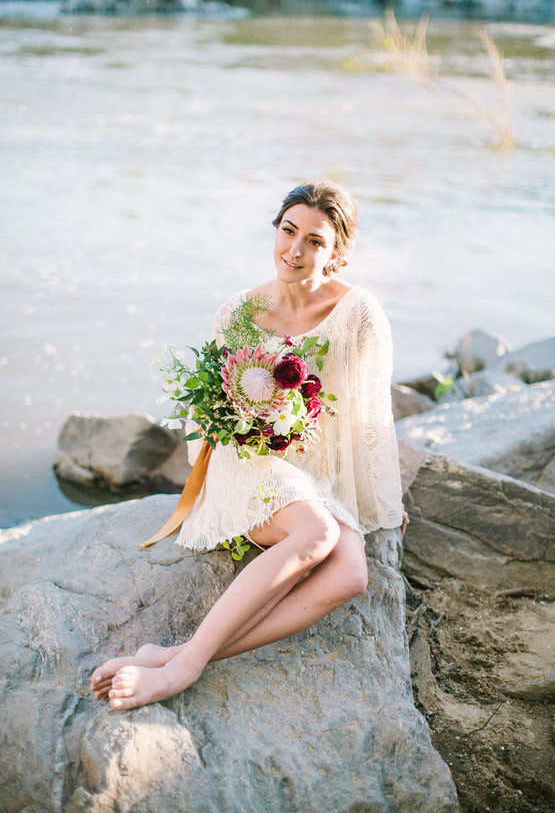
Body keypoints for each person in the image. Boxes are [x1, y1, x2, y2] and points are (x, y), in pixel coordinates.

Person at [90, 180, 408, 711]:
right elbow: (209, 415)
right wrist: (254, 430)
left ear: (337, 254)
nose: (295, 251)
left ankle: (174, 653)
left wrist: (385, 500)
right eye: (288, 231)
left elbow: (371, 417)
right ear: (277, 229)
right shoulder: (237, 312)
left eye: (315, 241)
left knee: (351, 574)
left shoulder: (360, 313)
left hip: (316, 465)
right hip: (249, 458)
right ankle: (182, 672)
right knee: (318, 534)